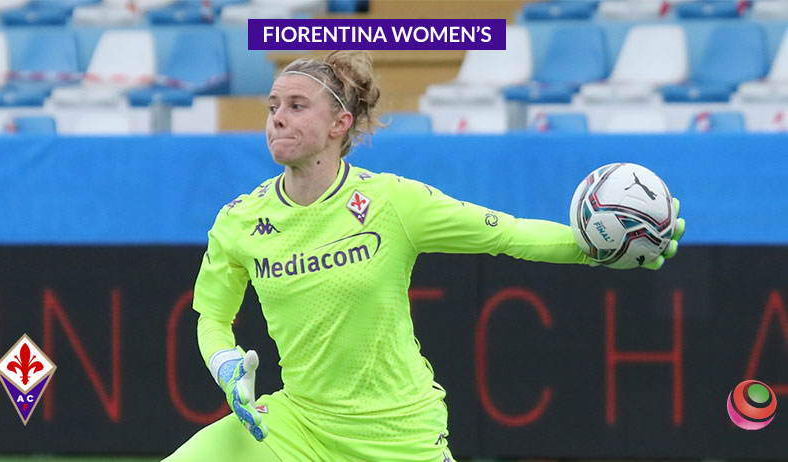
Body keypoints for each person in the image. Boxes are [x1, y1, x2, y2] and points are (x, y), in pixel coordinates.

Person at [164, 50, 684, 462]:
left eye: (297, 106)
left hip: (398, 435)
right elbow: (212, 316)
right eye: (273, 106)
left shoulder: (393, 203)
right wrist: (225, 363)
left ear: (339, 124)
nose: (277, 118)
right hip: (297, 425)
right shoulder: (238, 219)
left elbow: (508, 234)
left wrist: (598, 249)